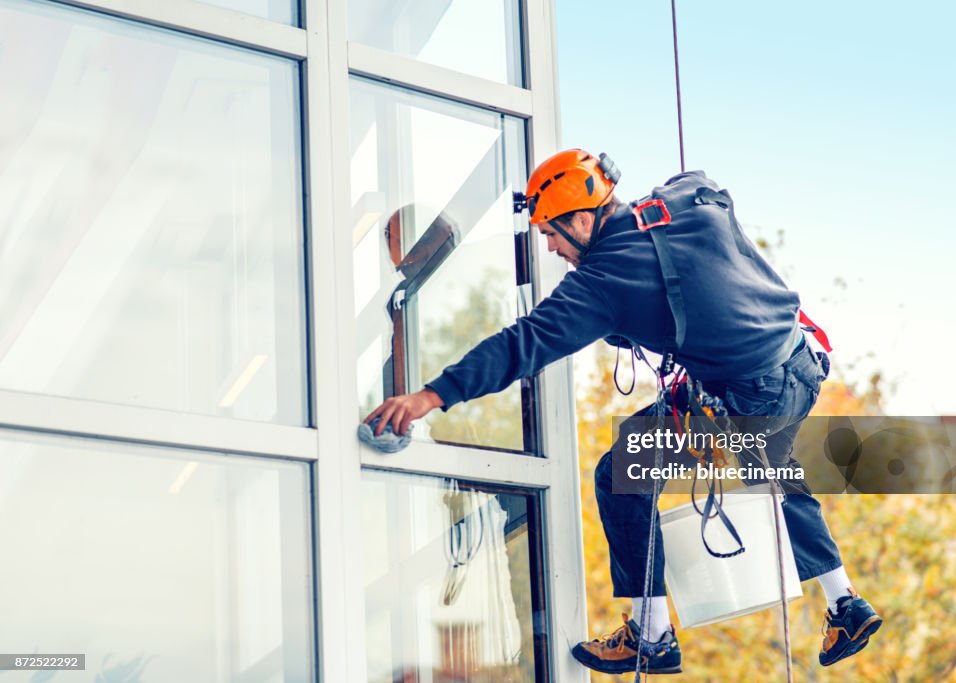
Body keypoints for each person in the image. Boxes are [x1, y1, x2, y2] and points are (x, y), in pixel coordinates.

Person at [364, 148, 882, 674]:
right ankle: (845, 603)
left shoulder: (601, 282)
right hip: (802, 363)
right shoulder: (675, 202)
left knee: (621, 474)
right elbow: (700, 181)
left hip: (746, 394)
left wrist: (431, 395)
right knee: (769, 469)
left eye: (551, 235)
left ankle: (652, 634)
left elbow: (523, 343)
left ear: (583, 220)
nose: (552, 249)